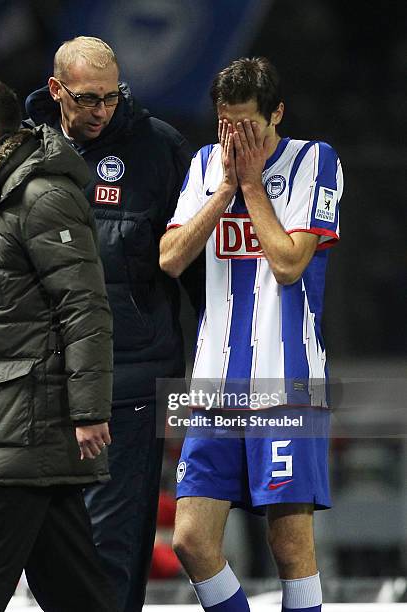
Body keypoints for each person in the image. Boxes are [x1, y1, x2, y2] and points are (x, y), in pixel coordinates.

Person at [160, 57, 343, 612]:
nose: (234, 138)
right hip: (214, 383)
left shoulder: (315, 161)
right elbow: (169, 258)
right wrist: (222, 193)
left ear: (277, 114)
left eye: (248, 126)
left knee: (289, 546)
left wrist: (253, 187)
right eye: (225, 125)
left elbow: (289, 263)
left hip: (286, 381)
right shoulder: (203, 165)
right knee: (191, 541)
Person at [0, 74, 117, 612]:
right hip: (8, 416)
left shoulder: (41, 198)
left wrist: (88, 411)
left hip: (28, 424)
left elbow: (84, 307)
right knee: (76, 591)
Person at [25, 36, 196, 612]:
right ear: (56, 91)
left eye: (111, 96)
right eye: (87, 98)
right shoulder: (24, 150)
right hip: (42, 383)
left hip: (131, 381)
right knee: (45, 546)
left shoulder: (159, 148)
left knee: (112, 546)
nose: (102, 110)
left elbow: (194, 271)